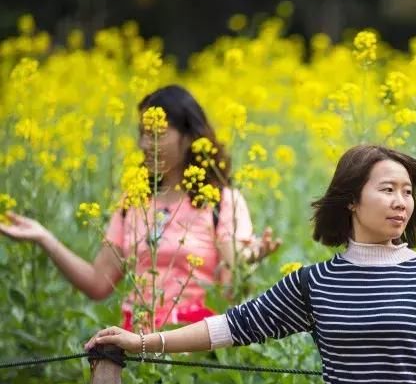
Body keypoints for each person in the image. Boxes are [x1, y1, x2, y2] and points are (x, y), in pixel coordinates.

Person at [85, 145, 416, 384]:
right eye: (387, 190)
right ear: (351, 201)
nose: (401, 202)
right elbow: (233, 327)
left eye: (406, 192)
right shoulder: (317, 282)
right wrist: (141, 342)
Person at [0, 84, 280, 331]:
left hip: (195, 355)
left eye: (156, 133)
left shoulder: (221, 201)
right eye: (142, 134)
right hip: (137, 346)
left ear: (188, 136)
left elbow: (232, 287)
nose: (145, 144)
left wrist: (248, 261)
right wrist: (45, 239)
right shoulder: (134, 201)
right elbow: (98, 283)